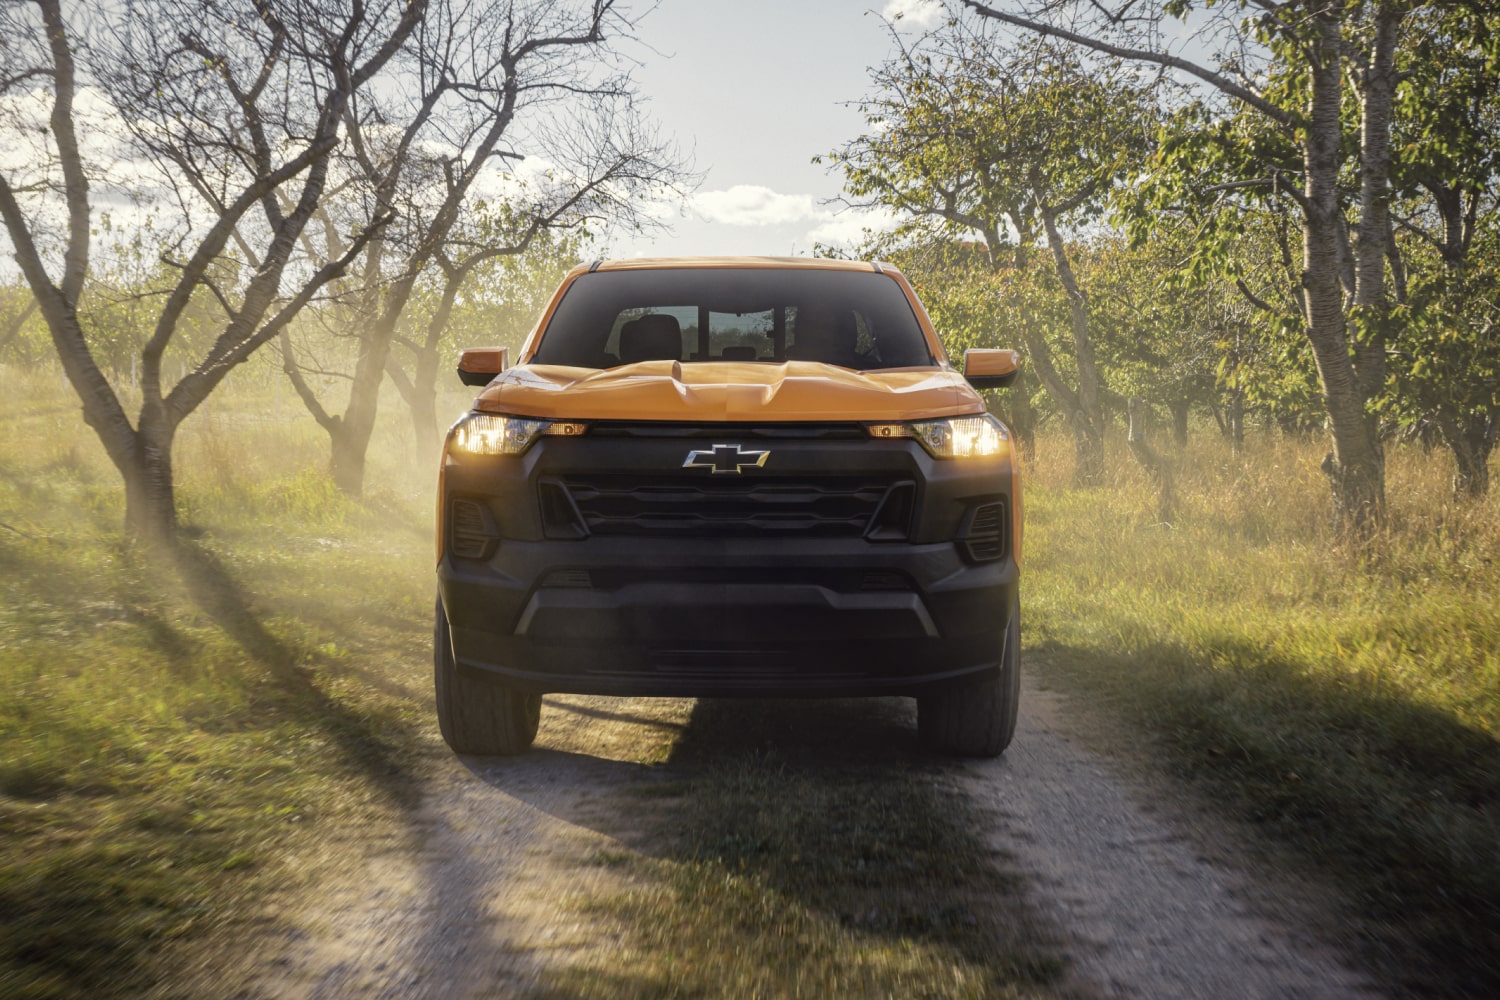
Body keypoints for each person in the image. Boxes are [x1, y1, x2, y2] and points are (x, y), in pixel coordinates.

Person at [788, 302, 863, 368]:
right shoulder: (787, 359)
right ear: (799, 331)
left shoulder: (866, 366)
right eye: (813, 325)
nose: (820, 333)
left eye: (825, 326)